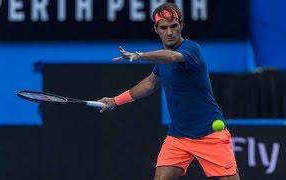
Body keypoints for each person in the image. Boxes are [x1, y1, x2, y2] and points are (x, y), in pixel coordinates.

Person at [98, 2, 240, 180]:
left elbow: (172, 57)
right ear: (156, 29)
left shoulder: (191, 49)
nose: (170, 32)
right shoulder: (162, 60)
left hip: (209, 133)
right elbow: (151, 83)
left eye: (174, 26)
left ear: (181, 25)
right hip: (178, 136)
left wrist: (141, 55)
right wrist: (115, 100)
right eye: (164, 27)